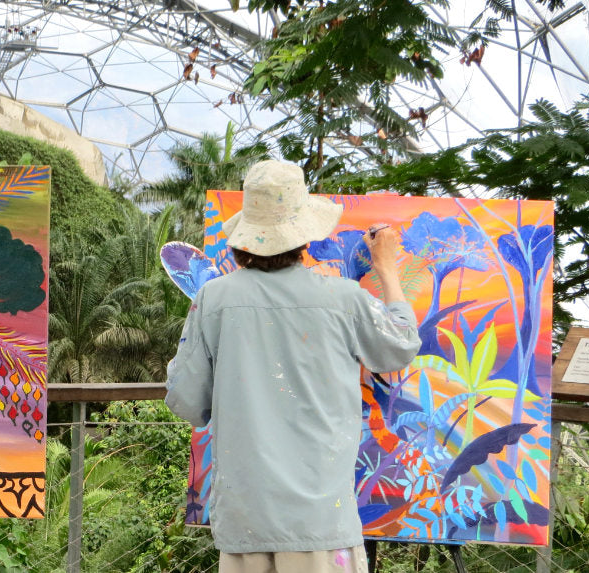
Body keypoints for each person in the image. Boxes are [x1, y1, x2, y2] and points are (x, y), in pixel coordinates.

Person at [165, 160, 421, 573]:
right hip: (322, 524)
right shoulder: (343, 299)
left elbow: (186, 401)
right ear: (304, 235)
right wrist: (387, 270)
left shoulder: (213, 300)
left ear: (244, 237)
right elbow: (400, 346)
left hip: (246, 520)